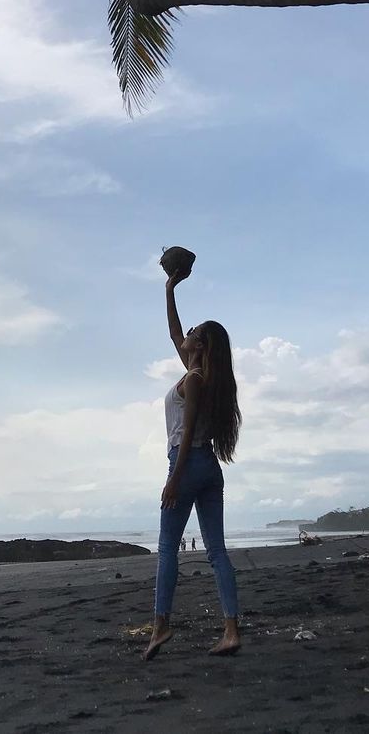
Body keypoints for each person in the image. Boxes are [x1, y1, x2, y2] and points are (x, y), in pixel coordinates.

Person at [144, 264, 242, 660]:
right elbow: (172, 331)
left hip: (187, 464)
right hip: (209, 470)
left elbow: (184, 436)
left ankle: (161, 625)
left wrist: (174, 478)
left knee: (168, 547)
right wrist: (170, 288)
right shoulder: (201, 375)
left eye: (194, 335)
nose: (185, 336)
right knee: (216, 551)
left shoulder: (196, 378)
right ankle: (231, 630)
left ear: (200, 347)